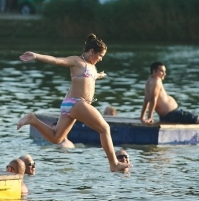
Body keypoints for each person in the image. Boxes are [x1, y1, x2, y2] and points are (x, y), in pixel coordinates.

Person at [16, 34, 130, 172]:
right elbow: (57, 60)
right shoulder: (77, 61)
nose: (101, 59)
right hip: (77, 103)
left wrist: (99, 75)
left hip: (69, 106)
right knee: (105, 128)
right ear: (91, 51)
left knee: (56, 139)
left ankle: (33, 119)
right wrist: (36, 56)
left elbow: (89, 77)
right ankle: (114, 163)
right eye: (100, 55)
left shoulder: (92, 66)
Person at [139, 62, 199, 145]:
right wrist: (149, 117)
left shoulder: (149, 81)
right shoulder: (157, 81)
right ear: (154, 71)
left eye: (165, 71)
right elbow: (153, 99)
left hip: (167, 116)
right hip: (174, 114)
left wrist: (142, 116)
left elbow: (146, 99)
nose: (164, 74)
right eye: (161, 71)